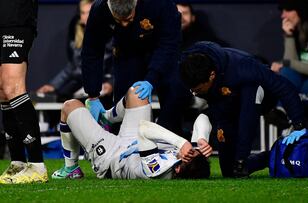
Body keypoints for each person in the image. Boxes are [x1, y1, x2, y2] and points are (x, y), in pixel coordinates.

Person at [180, 41, 306, 178]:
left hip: (256, 94)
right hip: (225, 101)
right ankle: (270, 156)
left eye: (197, 90)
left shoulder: (243, 67)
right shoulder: (186, 65)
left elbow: (283, 86)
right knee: (230, 171)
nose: (194, 94)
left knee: (248, 96)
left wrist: (299, 124)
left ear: (212, 75)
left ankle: (253, 156)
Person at [51, 86, 212, 180]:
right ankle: (106, 117)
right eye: (194, 152)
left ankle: (71, 168)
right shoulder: (190, 161)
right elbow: (203, 118)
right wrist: (202, 139)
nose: (190, 151)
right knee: (137, 92)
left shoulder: (156, 170)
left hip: (112, 155)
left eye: (188, 155)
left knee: (69, 106)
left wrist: (181, 143)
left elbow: (144, 128)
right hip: (135, 142)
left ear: (177, 169)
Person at [82, 0, 190, 134]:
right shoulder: (100, 9)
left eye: (128, 19)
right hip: (127, 53)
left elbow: (169, 44)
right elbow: (91, 51)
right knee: (124, 107)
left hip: (162, 51)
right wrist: (92, 95)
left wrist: (152, 78)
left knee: (173, 99)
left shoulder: (161, 4)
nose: (124, 24)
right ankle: (120, 148)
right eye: (118, 20)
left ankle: (169, 145)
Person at [0, 0, 47, 184]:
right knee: (3, 90)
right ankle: (17, 162)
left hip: (16, 16)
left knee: (13, 86)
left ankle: (37, 165)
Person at [36, 0, 113, 102]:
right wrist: (53, 85)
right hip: (82, 83)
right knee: (63, 100)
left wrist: (111, 83)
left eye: (89, 12)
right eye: (83, 12)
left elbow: (119, 63)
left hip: (104, 82)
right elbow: (74, 66)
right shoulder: (76, 31)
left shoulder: (110, 31)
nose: (86, 16)